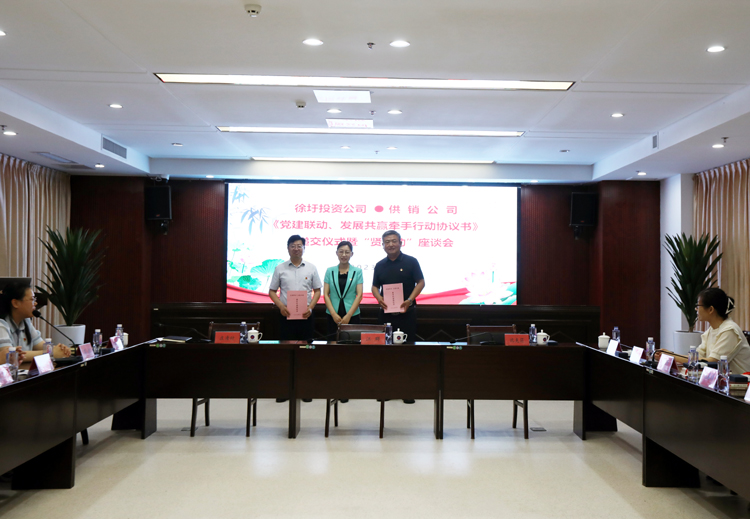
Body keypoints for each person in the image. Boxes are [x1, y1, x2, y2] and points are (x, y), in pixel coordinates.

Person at [371, 230, 425, 343]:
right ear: (383, 245)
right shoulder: (379, 265)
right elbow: (374, 286)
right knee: (384, 347)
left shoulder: (411, 261)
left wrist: (409, 300)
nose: (390, 244)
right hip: (385, 315)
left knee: (408, 346)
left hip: (407, 313)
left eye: (394, 241)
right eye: (387, 242)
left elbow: (421, 282)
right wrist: (379, 298)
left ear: (400, 243)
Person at [268, 235, 322, 342]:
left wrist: (310, 307)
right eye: (293, 246)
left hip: (306, 314)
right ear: (288, 248)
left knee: (306, 346)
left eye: (299, 246)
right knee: (287, 345)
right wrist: (281, 306)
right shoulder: (280, 268)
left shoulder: (311, 268)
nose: (296, 249)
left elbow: (317, 291)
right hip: (286, 314)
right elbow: (272, 291)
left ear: (304, 248)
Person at [0, 281, 71, 362]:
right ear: (15, 303)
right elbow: (10, 355)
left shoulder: (26, 322)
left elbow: (41, 345)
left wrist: (60, 349)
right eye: (32, 299)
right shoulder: (1, 324)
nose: (36, 303)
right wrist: (50, 353)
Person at [696, 287, 750, 374]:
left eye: (698, 306)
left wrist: (675, 357)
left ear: (710, 309)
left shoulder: (730, 330)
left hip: (740, 381)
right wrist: (673, 356)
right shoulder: (711, 330)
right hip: (722, 379)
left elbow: (713, 362)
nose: (696, 309)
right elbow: (696, 356)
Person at [323, 241, 364, 337]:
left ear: (352, 254)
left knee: (351, 342)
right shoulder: (330, 271)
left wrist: (348, 315)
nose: (344, 255)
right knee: (332, 341)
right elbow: (325, 294)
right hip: (333, 314)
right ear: (336, 253)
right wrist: (333, 314)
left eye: (347, 252)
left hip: (352, 314)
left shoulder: (357, 271)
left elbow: (359, 295)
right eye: (341, 252)